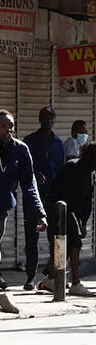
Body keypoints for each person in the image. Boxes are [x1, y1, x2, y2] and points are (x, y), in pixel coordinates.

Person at [42, 142, 96, 296]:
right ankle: (75, 282)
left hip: (75, 215)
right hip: (60, 212)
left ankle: (51, 279)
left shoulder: (91, 173)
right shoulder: (71, 167)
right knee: (69, 246)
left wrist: (83, 222)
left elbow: (87, 201)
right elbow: (60, 194)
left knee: (68, 250)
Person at [0, 110, 46, 307]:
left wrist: (39, 213)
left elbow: (29, 184)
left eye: (10, 125)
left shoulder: (20, 149)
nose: (7, 129)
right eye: (3, 125)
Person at [23, 106, 64, 290]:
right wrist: (33, 175)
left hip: (53, 197)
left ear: (54, 120)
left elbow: (62, 170)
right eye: (44, 118)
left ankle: (52, 275)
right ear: (39, 119)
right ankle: (30, 277)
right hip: (33, 196)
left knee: (54, 237)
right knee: (31, 238)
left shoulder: (58, 143)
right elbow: (23, 168)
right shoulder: (29, 141)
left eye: (50, 118)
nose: (47, 121)